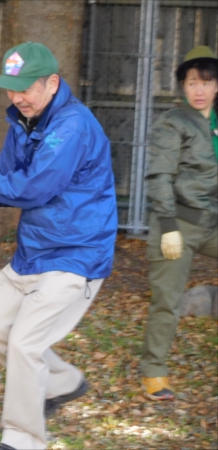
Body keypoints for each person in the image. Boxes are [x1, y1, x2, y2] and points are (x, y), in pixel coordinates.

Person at [0, 42, 117, 450]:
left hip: (75, 255)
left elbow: (35, 188)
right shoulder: (24, 121)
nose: (17, 97)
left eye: (26, 88)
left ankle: (23, 439)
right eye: (11, 88)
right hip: (33, 253)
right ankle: (63, 382)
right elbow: (8, 188)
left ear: (52, 83)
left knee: (24, 344)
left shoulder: (72, 126)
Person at [139, 46, 217, 401]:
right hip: (178, 226)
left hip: (213, 224)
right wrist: (168, 224)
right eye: (191, 82)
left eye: (206, 81)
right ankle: (154, 373)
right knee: (167, 302)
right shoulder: (173, 122)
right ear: (183, 87)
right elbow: (159, 176)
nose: (198, 89)